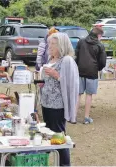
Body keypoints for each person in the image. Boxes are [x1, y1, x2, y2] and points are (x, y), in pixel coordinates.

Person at [40, 32, 79, 166]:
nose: (50, 46)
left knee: (58, 135)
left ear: (61, 45)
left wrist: (56, 75)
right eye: (49, 43)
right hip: (46, 103)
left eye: (53, 44)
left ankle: (64, 164)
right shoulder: (51, 59)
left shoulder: (67, 60)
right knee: (48, 134)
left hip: (57, 105)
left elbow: (72, 84)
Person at [75, 27, 106, 124]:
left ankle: (73, 116)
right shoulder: (100, 45)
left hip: (80, 70)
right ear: (99, 35)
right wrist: (98, 68)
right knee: (89, 95)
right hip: (92, 72)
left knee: (78, 94)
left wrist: (77, 66)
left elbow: (76, 56)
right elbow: (102, 62)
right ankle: (86, 117)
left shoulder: (81, 41)